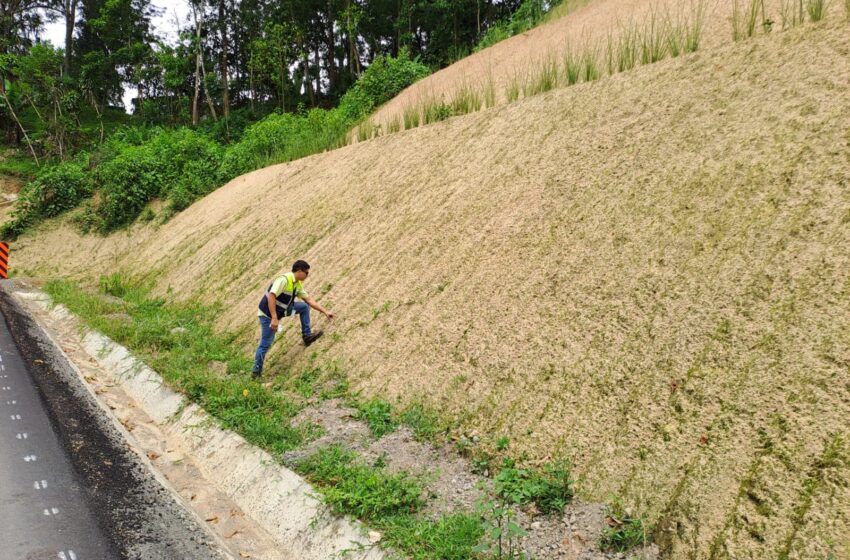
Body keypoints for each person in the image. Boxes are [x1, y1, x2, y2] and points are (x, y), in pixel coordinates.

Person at [252, 260, 335, 379]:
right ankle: (256, 373)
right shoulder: (284, 280)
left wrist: (325, 312)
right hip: (267, 314)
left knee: (303, 307)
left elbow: (309, 300)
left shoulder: (296, 284)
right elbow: (272, 296)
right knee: (265, 344)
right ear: (300, 271)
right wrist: (274, 318)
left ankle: (306, 336)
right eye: (306, 273)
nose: (307, 275)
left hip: (282, 310)